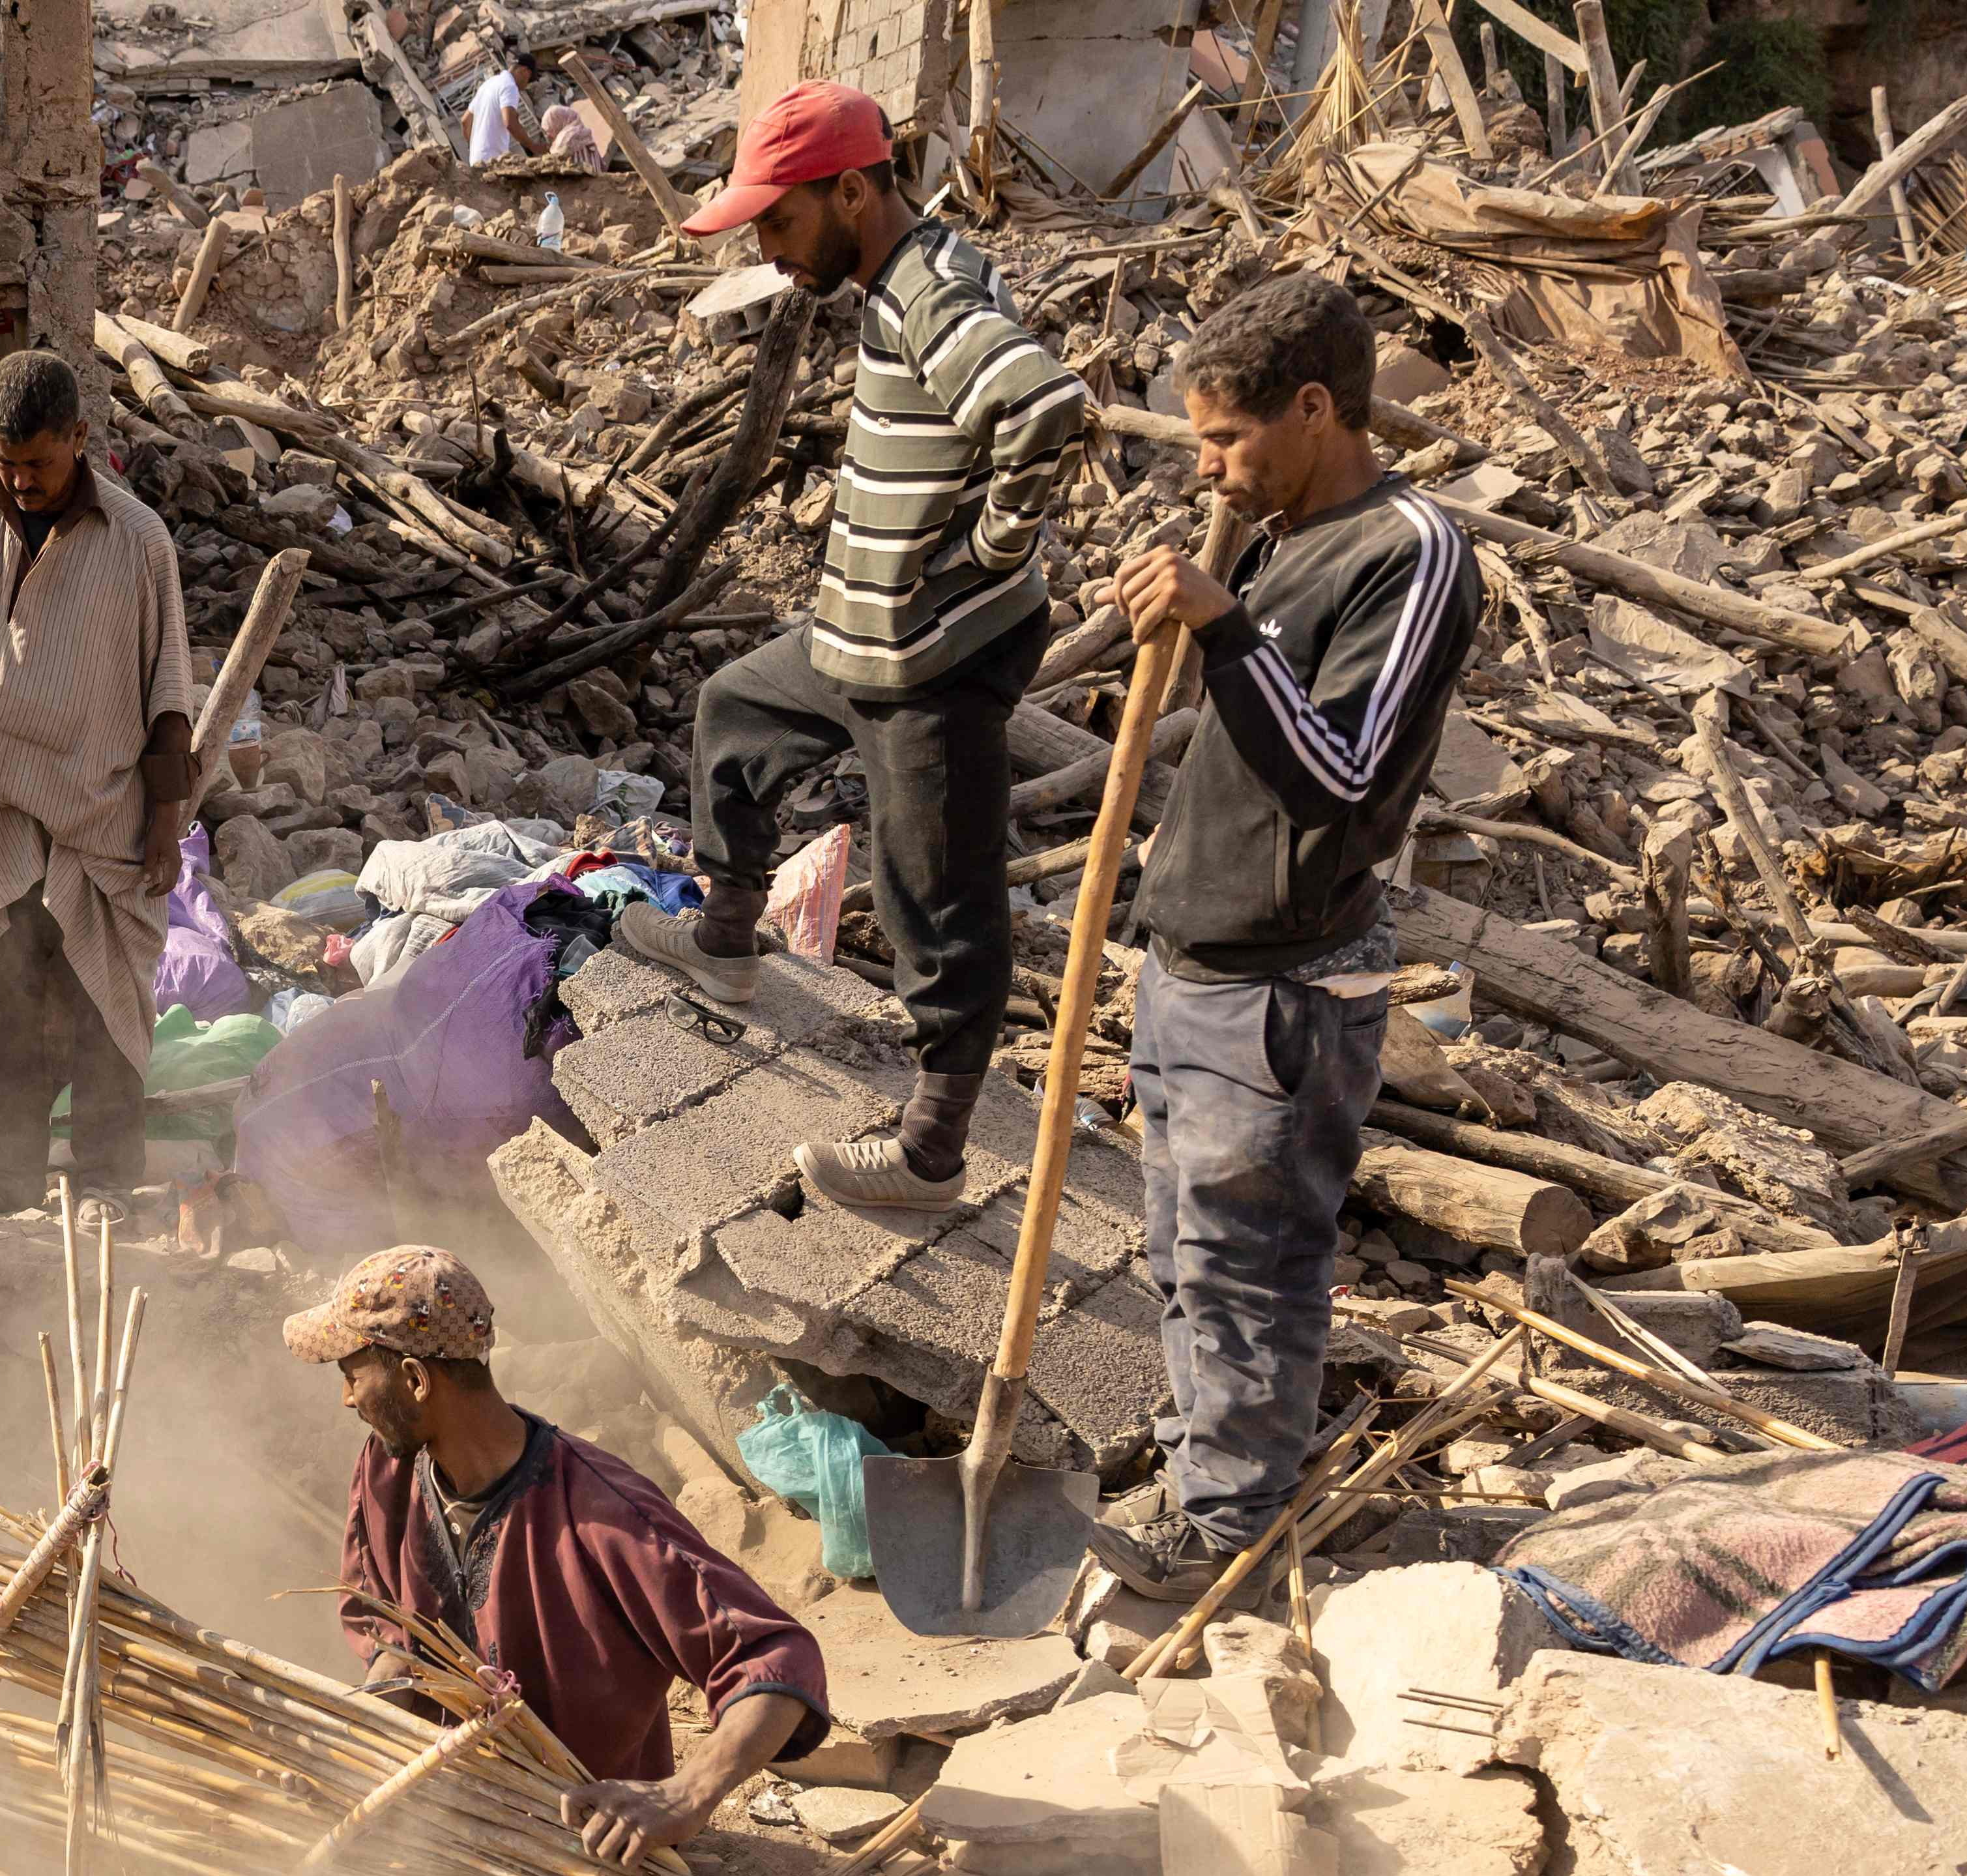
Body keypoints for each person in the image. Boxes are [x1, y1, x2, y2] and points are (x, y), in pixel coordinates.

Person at [624, 83, 1086, 1213]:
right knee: (737, 709)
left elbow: (1046, 408)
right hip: (864, 633)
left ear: (853, 189)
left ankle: (931, 1154)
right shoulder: (891, 280)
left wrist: (985, 546)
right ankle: (729, 937)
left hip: (932, 654)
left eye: (779, 222)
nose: (770, 252)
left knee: (940, 893)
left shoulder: (929, 289)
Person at [1084, 275, 1477, 1599]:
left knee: (1248, 1267)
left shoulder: (1409, 550)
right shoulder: (1272, 534)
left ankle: (1228, 1539)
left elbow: (1348, 775)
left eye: (1227, 440)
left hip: (1281, 992)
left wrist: (1223, 627)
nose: (1206, 466)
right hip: (1191, 960)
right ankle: (1206, 1467)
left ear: (1317, 410)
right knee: (1181, 1257)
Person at [284, 1247, 830, 1853]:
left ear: (415, 1380)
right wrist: (368, 1725)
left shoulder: (605, 1516)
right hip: (439, 1829)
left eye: (352, 1375)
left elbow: (775, 1660)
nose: (347, 1399)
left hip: (577, 1856)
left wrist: (687, 1794)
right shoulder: (389, 1468)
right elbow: (386, 1624)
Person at [0, 349, 194, 1210]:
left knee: (100, 1006)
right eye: (5, 462)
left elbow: (169, 690)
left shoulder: (137, 541)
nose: (21, 481)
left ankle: (108, 1180)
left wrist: (163, 825)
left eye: (37, 462)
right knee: (0, 1000)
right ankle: (8, 1181)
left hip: (99, 814)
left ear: (79, 437)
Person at [463, 51, 538, 164]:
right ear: (525, 71)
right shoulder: (510, 86)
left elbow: (465, 120)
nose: (526, 86)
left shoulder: (489, 83)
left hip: (476, 161)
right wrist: (533, 146)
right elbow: (510, 123)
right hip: (492, 161)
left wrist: (474, 147)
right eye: (529, 80)